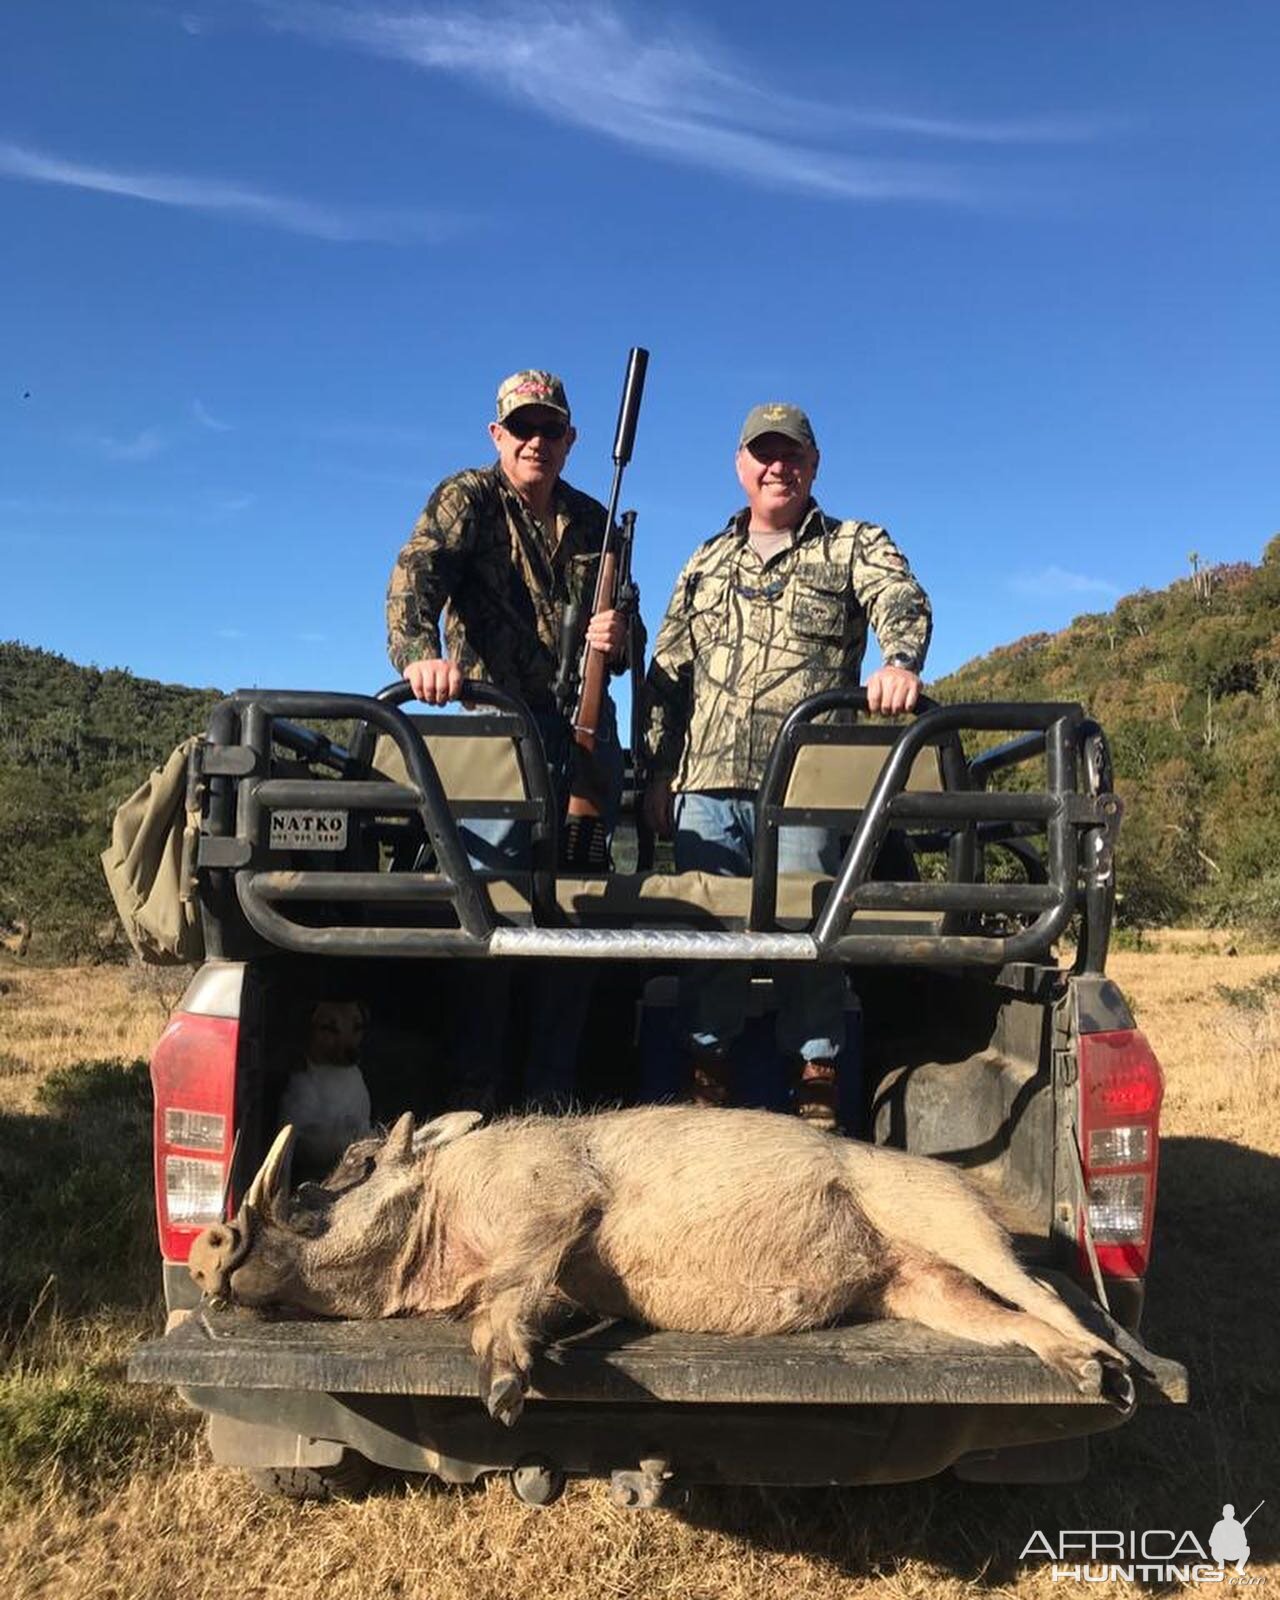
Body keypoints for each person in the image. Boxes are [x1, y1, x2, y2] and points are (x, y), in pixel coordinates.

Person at [643, 402, 932, 1129]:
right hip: (706, 782)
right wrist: (654, 769)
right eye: (764, 454)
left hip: (809, 782)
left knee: (810, 927)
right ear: (741, 467)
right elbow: (667, 671)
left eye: (793, 453)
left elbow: (902, 598)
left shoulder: (853, 544)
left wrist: (898, 663)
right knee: (711, 934)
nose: (780, 466)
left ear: (814, 464)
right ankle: (705, 1077)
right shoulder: (703, 562)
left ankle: (818, 1079)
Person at [386, 368, 629, 1107]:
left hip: (584, 748)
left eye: (549, 429)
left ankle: (555, 1092)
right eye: (521, 428)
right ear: (498, 435)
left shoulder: (598, 522)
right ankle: (475, 1093)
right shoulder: (467, 498)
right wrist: (418, 657)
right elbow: (415, 580)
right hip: (496, 738)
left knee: (580, 911)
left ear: (570, 440)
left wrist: (618, 639)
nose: (536, 441)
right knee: (491, 909)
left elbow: (630, 634)